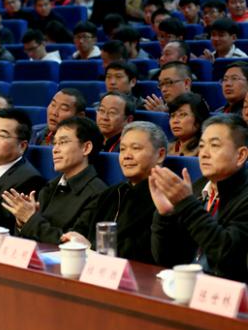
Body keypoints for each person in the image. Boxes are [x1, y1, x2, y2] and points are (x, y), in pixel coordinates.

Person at [150, 114, 248, 282]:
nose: (204, 154)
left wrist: (187, 205)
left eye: (214, 145)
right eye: (201, 146)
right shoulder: (197, 189)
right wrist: (165, 216)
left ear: (240, 155)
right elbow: (165, 259)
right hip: (186, 286)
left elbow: (228, 256)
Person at [61, 121, 168, 265]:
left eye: (136, 148)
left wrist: (91, 248)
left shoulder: (167, 199)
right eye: (122, 149)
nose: (126, 156)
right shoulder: (110, 193)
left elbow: (146, 254)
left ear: (160, 155)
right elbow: (80, 230)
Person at [3, 117, 107, 244]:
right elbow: (27, 238)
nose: (55, 149)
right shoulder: (50, 186)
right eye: (55, 143)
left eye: (63, 142)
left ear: (86, 148)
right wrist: (22, 221)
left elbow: (74, 244)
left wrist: (30, 219)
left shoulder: (99, 194)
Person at [167, 92, 210, 157]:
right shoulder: (166, 149)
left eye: (182, 115)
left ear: (198, 119)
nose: (175, 121)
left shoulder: (205, 151)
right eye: (172, 116)